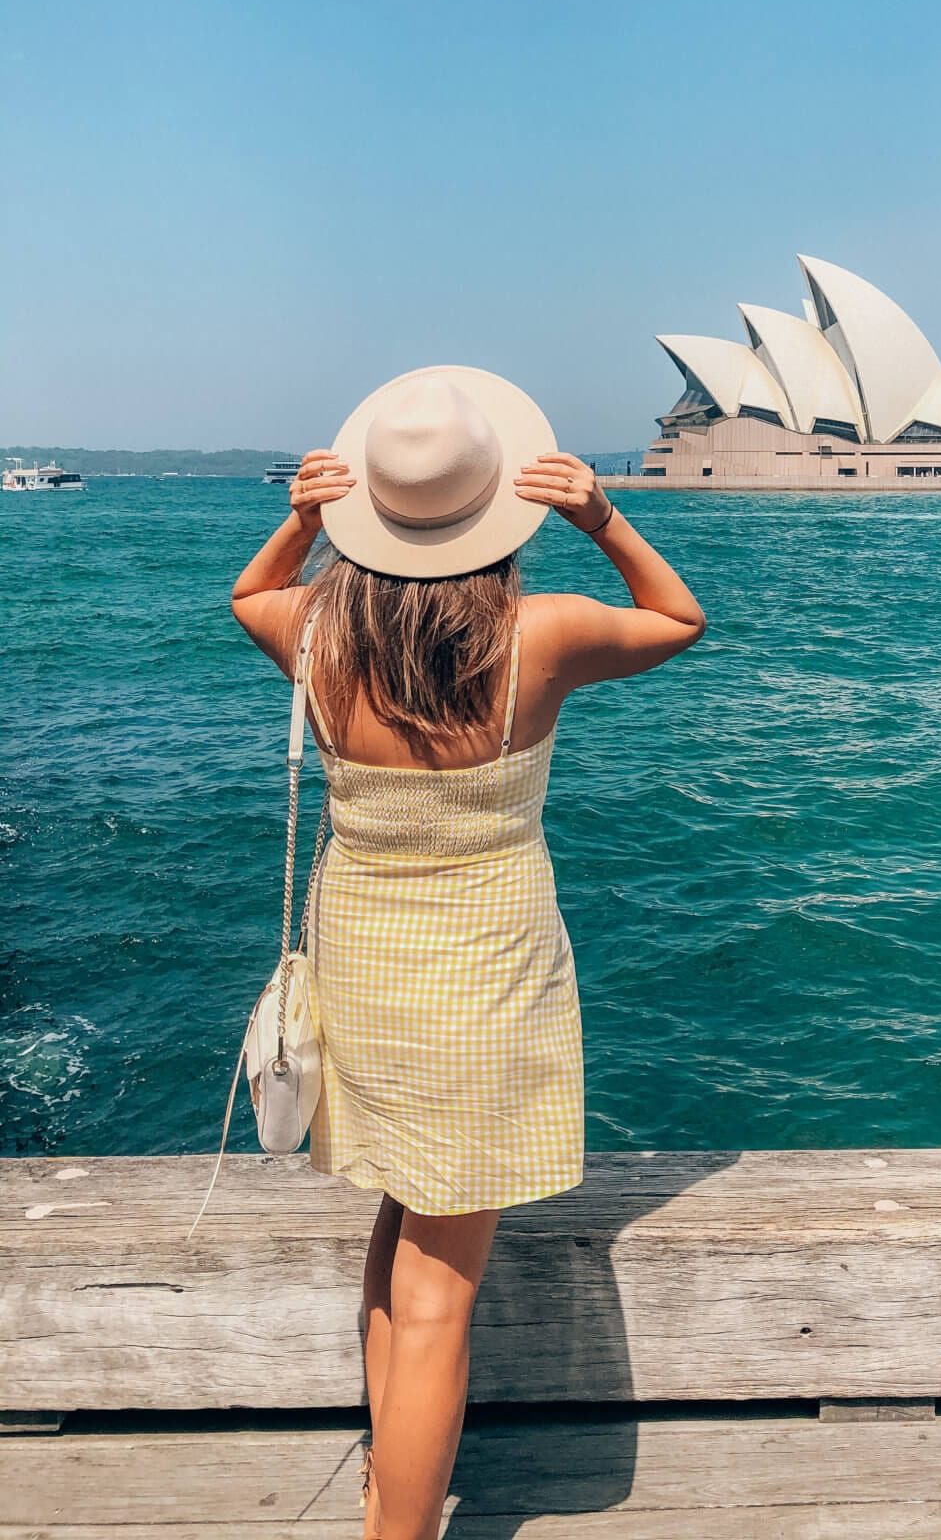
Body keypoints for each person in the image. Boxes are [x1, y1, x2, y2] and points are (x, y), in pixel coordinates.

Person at [231, 365, 705, 1540]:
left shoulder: (315, 629)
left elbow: (250, 593)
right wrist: (602, 516)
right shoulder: (536, 637)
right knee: (440, 1290)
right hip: (480, 982)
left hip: (368, 970)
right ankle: (402, 1529)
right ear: (496, 507)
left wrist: (300, 520)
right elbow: (680, 619)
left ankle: (393, 1486)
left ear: (367, 511)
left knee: (399, 1231)